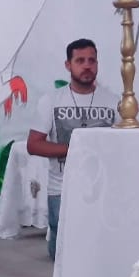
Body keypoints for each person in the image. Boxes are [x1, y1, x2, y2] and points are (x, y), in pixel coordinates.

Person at [27, 38, 118, 259]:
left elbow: (124, 144)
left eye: (92, 61)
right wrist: (75, 150)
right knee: (62, 255)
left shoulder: (114, 101)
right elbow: (33, 144)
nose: (87, 66)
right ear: (68, 65)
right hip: (62, 188)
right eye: (80, 61)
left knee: (101, 249)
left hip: (102, 188)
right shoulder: (51, 101)